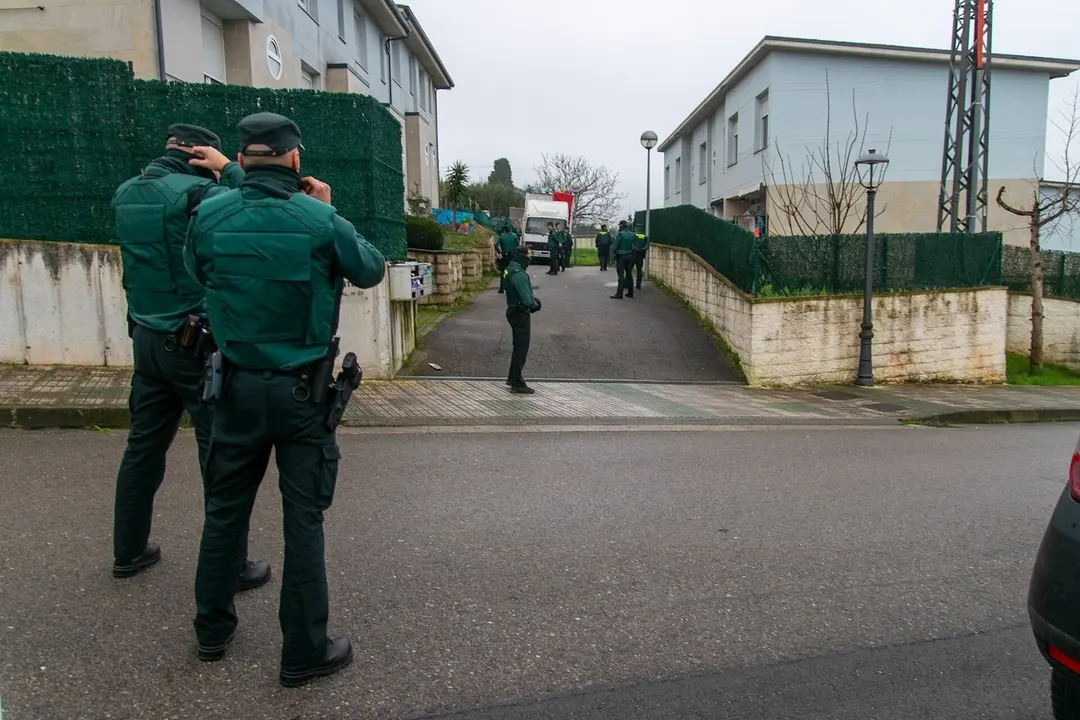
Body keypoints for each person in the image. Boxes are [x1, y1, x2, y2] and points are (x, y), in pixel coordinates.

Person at [184, 112, 386, 687]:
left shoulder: (210, 214)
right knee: (303, 521)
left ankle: (211, 630)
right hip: (304, 395)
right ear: (295, 160)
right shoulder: (319, 218)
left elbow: (193, 269)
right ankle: (302, 651)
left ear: (242, 158)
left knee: (224, 510)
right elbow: (370, 268)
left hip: (235, 389)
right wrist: (330, 206)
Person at [110, 123, 271, 593]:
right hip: (193, 343)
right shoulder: (199, 193)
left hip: (144, 338)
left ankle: (128, 551)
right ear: (203, 154)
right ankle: (232, 565)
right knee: (219, 455)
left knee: (142, 448)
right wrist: (230, 171)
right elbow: (254, 202)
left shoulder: (125, 193)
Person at [503, 245, 541, 393]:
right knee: (521, 349)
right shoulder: (520, 274)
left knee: (517, 346)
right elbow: (527, 299)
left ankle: (512, 378)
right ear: (523, 256)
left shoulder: (509, 268)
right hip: (520, 313)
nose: (530, 258)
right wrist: (535, 304)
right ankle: (517, 383)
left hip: (512, 309)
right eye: (529, 255)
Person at [610, 220, 637, 299]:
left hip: (621, 256)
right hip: (630, 256)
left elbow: (614, 247)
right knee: (629, 274)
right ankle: (630, 293)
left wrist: (613, 256)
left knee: (621, 275)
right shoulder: (632, 234)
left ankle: (619, 294)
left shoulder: (620, 234)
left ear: (621, 226)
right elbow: (634, 246)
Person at [495, 220, 519, 294]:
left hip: (505, 256)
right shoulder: (515, 236)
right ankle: (513, 287)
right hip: (513, 256)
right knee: (514, 271)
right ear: (511, 230)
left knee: (504, 272)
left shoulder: (502, 236)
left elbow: (495, 244)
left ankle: (502, 288)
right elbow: (518, 245)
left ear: (504, 230)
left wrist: (499, 252)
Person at [632, 225, 650, 290]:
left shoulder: (633, 235)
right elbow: (647, 245)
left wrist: (634, 248)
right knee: (639, 270)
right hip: (641, 255)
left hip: (633, 254)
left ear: (636, 228)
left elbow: (631, 243)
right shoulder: (645, 236)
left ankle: (627, 283)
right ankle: (638, 284)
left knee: (629, 269)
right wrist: (643, 249)